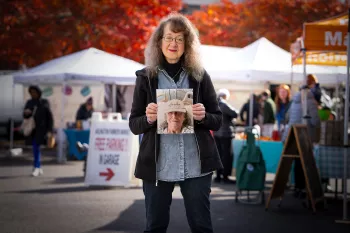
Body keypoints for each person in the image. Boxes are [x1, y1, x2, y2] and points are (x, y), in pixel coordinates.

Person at [129, 13, 223, 233]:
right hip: (157, 167)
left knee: (202, 226)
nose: (174, 43)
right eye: (169, 37)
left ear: (187, 44)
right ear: (159, 41)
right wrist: (149, 118)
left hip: (196, 166)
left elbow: (217, 120)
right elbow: (135, 125)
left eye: (180, 39)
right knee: (155, 227)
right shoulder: (145, 78)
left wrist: (204, 116)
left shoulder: (200, 76)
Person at [282, 86, 320, 198]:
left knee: (296, 161)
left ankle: (297, 187)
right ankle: (303, 188)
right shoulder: (311, 102)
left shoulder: (294, 101)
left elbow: (287, 117)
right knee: (305, 163)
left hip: (291, 134)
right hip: (304, 135)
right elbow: (316, 121)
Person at [23, 86, 54, 177]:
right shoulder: (29, 102)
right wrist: (26, 113)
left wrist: (50, 130)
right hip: (32, 129)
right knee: (35, 147)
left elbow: (49, 117)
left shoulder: (44, 102)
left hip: (42, 129)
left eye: (35, 92)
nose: (33, 94)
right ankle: (38, 167)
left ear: (39, 92)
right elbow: (25, 116)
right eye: (31, 92)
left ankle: (36, 167)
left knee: (36, 147)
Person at [213, 88, 238, 184]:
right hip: (226, 133)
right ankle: (225, 176)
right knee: (227, 155)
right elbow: (235, 113)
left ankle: (218, 176)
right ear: (225, 96)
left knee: (219, 155)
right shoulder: (224, 104)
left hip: (217, 132)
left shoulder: (214, 104)